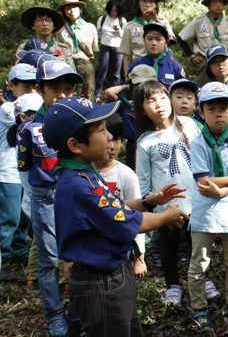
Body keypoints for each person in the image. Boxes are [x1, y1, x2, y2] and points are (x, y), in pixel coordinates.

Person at [41, 96, 188, 337]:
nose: (109, 136)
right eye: (101, 131)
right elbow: (126, 221)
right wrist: (165, 215)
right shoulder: (79, 186)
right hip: (100, 283)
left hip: (112, 274)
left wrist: (148, 201)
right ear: (75, 145)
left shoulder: (84, 174)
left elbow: (113, 206)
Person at [17, 60, 84, 335]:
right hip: (44, 196)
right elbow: (24, 169)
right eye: (55, 88)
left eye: (68, 88)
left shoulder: (79, 123)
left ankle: (78, 312)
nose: (62, 94)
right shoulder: (30, 129)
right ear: (39, 89)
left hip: (75, 193)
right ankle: (54, 313)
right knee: (48, 257)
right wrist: (32, 199)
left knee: (78, 252)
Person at [188, 82, 228, 330]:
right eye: (211, 109)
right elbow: (203, 182)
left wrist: (222, 189)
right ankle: (199, 308)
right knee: (199, 263)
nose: (218, 114)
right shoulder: (197, 142)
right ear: (201, 113)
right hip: (204, 215)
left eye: (223, 108)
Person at [134, 80, 200, 305]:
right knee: (169, 246)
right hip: (166, 207)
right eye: (150, 101)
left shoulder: (188, 124)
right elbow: (143, 179)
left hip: (195, 200)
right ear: (142, 109)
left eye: (162, 98)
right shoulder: (145, 142)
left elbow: (202, 156)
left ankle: (202, 279)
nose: (159, 104)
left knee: (197, 244)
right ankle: (173, 284)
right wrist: (150, 208)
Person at [91, 114, 148, 279]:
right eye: (105, 138)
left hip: (121, 250)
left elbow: (137, 217)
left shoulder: (126, 175)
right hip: (92, 248)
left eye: (116, 139)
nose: (110, 145)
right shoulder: (84, 174)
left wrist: (140, 258)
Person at [0, 65, 37, 282]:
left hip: (23, 173)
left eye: (34, 85)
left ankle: (18, 250)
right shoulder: (7, 108)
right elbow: (16, 112)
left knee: (23, 216)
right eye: (25, 86)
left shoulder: (31, 103)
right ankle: (3, 258)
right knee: (9, 218)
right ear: (11, 86)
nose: (30, 90)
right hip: (7, 174)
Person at [177, 0, 228, 80]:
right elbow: (181, 37)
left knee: (227, 89)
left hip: (225, 63)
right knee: (203, 89)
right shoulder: (199, 22)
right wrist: (192, 55)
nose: (218, 5)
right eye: (215, 2)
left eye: (221, 2)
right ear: (208, 5)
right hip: (205, 63)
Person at [105, 65, 157, 170]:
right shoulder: (126, 102)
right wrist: (126, 87)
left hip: (154, 141)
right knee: (134, 172)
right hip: (133, 144)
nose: (141, 89)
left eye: (145, 85)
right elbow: (109, 92)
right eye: (137, 85)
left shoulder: (158, 102)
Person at [119, 0, 176, 75]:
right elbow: (127, 57)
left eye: (151, 1)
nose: (148, 5)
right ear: (138, 3)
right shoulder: (130, 27)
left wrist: (157, 20)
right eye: (144, 1)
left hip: (161, 71)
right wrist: (128, 79)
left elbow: (170, 44)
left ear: (155, 5)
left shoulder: (163, 23)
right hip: (140, 72)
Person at [55, 0, 98, 100]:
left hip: (86, 65)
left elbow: (94, 49)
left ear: (79, 9)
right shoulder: (61, 30)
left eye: (74, 7)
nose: (72, 10)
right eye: (68, 8)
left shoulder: (90, 27)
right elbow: (59, 50)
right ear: (64, 12)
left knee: (88, 94)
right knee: (70, 94)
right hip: (68, 66)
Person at [128, 23, 185, 90]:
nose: (154, 43)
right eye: (149, 39)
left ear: (166, 42)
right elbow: (127, 92)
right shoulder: (136, 65)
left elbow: (183, 91)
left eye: (158, 39)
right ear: (144, 40)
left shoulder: (175, 66)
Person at [95, 0, 127, 101]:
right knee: (102, 71)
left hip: (118, 47)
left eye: (115, 10)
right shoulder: (103, 19)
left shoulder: (122, 20)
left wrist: (119, 31)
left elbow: (125, 36)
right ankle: (96, 95)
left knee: (116, 73)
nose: (113, 12)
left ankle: (115, 96)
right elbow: (98, 32)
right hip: (105, 46)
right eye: (111, 10)